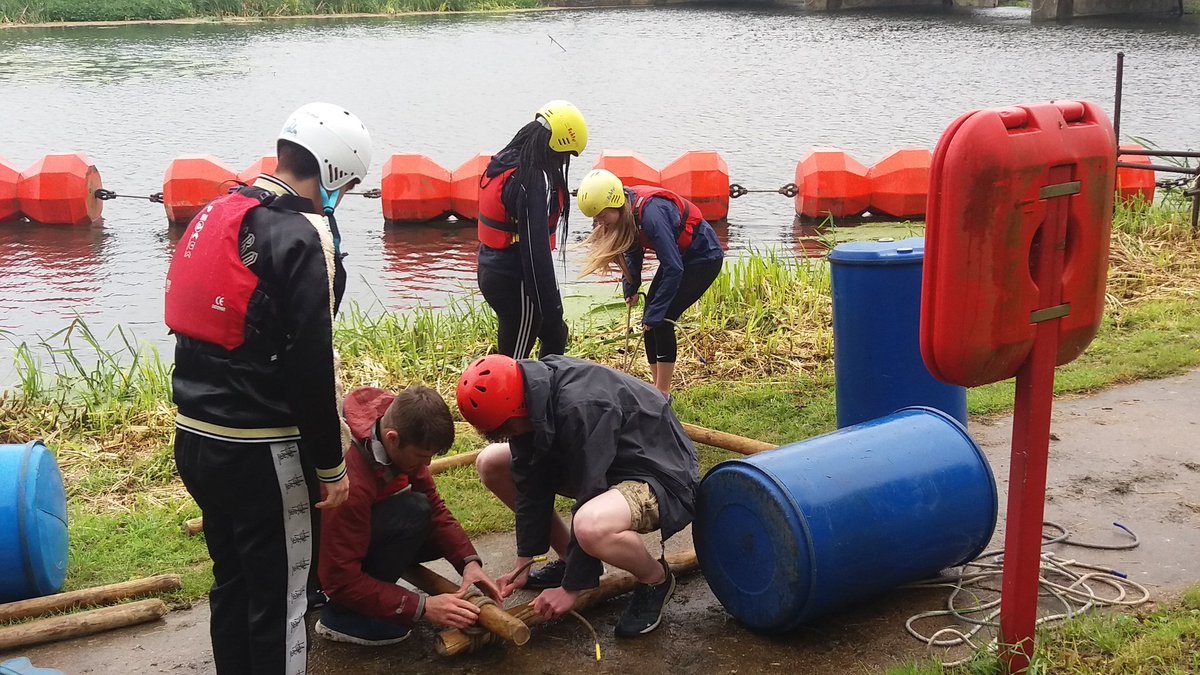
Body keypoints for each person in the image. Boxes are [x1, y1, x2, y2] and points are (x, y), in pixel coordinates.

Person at [165, 102, 371, 675]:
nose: (344, 197)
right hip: (263, 449)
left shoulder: (218, 211)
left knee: (232, 582)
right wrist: (330, 466)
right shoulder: (302, 235)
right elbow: (311, 363)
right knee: (283, 601)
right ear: (333, 172)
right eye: (348, 186)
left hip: (195, 437)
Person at [458, 354, 699, 638]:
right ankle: (565, 560)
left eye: (507, 429)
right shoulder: (528, 391)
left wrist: (573, 587)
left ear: (518, 409)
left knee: (590, 525)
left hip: (661, 475)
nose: (508, 436)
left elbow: (590, 488)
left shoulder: (581, 406)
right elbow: (528, 478)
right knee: (492, 462)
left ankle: (655, 579)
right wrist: (524, 559)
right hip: (614, 463)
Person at [315, 386, 502, 646]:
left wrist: (467, 561)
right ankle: (343, 617)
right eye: (422, 457)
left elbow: (434, 506)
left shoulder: (398, 426)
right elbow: (339, 579)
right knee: (411, 512)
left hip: (357, 530)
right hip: (328, 552)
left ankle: (377, 587)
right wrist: (421, 606)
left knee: (421, 511)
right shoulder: (352, 484)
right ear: (392, 438)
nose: (426, 466)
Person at [575, 169, 725, 399]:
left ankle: (662, 394)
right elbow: (634, 250)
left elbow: (674, 268)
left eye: (601, 216)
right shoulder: (627, 211)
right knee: (650, 317)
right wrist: (631, 287)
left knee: (662, 320)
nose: (599, 223)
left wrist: (656, 313)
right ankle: (656, 389)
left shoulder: (652, 214)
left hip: (703, 258)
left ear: (614, 204)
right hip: (680, 258)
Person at [476, 100, 588, 360]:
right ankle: (515, 399)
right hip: (515, 279)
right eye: (567, 154)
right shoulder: (530, 181)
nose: (563, 162)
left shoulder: (505, 162)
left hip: (491, 267)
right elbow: (535, 255)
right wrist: (553, 311)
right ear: (557, 145)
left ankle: (542, 394)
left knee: (550, 335)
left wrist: (552, 322)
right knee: (514, 363)